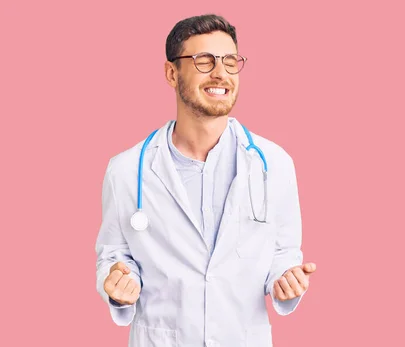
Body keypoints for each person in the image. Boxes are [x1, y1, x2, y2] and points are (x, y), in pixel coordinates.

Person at [94, 14, 316, 347]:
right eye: (204, 61)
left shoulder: (275, 164)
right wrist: (117, 282)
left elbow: (284, 253)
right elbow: (114, 254)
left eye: (230, 62)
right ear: (172, 73)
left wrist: (286, 279)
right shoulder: (126, 170)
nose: (221, 73)